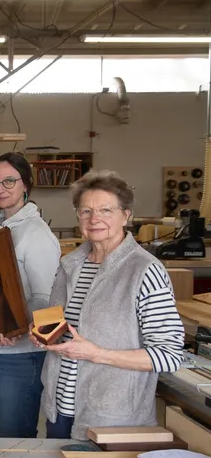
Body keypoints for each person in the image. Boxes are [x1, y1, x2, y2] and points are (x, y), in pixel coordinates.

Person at [34, 170, 184, 440]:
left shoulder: (144, 271)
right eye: (86, 211)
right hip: (59, 409)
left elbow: (169, 355)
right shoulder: (70, 264)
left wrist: (96, 353)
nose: (94, 219)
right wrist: (44, 334)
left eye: (105, 210)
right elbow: (58, 319)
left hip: (111, 416)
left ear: (126, 215)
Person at [0, 153, 61, 439]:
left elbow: (49, 298)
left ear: (25, 185)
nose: (0, 188)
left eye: (9, 181)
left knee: (13, 438)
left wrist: (17, 328)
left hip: (18, 356)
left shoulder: (37, 234)